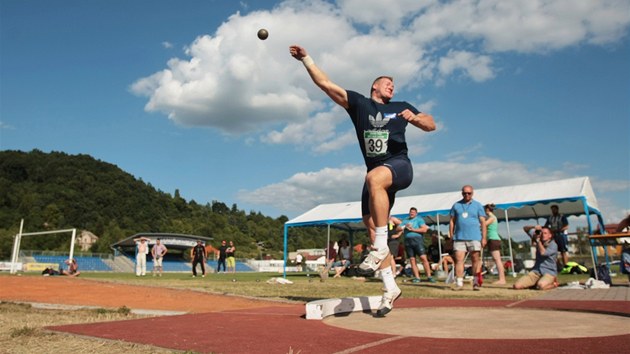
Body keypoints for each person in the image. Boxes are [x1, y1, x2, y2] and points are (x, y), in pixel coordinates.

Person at [290, 44, 436, 317]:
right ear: (375, 88)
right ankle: (390, 288)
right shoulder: (360, 104)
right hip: (375, 179)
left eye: (394, 84)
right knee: (370, 226)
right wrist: (306, 59)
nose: (392, 87)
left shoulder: (401, 106)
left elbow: (431, 124)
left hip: (399, 167)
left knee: (374, 180)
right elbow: (325, 84)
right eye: (387, 83)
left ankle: (380, 247)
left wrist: (414, 118)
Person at [449, 185, 487, 291]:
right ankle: (459, 283)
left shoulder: (478, 205)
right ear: (462, 193)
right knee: (459, 260)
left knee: (475, 259)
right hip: (459, 237)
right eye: (464, 193)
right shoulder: (456, 205)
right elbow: (452, 221)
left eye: (469, 193)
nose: (467, 195)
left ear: (472, 193)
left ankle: (475, 282)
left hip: (474, 237)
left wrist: (484, 238)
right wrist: (451, 235)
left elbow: (483, 222)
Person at [397, 207, 435, 283]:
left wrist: (413, 229)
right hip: (408, 241)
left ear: (416, 213)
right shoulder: (405, 220)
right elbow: (397, 228)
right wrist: (405, 226)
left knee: (423, 258)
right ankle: (417, 277)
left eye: (413, 212)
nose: (412, 213)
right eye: (411, 212)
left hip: (417, 241)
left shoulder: (419, 220)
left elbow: (424, 229)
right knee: (412, 259)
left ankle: (429, 276)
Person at [513, 225, 558, 290]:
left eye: (545, 233)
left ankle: (554, 284)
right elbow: (525, 228)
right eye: (541, 233)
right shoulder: (538, 237)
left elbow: (543, 253)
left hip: (549, 272)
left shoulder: (553, 245)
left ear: (550, 235)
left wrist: (538, 241)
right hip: (536, 271)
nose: (543, 235)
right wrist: (535, 227)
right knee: (517, 286)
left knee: (541, 286)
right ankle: (535, 283)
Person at [484, 204, 506, 284]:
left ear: (487, 210)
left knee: (497, 260)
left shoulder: (492, 218)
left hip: (493, 239)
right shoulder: (492, 217)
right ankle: (501, 278)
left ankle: (502, 279)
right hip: (492, 239)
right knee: (497, 260)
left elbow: (484, 225)